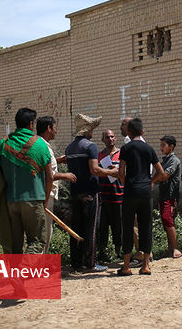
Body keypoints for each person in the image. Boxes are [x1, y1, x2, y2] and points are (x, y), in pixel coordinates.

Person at [0, 108, 53, 254]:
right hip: (34, 200)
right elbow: (50, 177)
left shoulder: (3, 144)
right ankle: (24, 272)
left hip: (11, 202)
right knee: (37, 241)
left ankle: (16, 274)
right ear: (31, 124)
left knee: (15, 245)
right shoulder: (40, 144)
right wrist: (46, 199)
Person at [65, 114, 118, 273]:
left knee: (76, 227)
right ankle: (90, 264)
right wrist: (113, 172)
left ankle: (76, 263)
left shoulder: (70, 147)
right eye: (92, 129)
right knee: (91, 228)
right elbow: (94, 169)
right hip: (90, 192)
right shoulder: (90, 146)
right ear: (88, 130)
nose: (93, 132)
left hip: (75, 191)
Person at [117, 118, 164, 276]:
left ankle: (126, 266)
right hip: (146, 192)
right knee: (146, 227)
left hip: (130, 192)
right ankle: (145, 266)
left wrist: (127, 183)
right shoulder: (149, 148)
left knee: (128, 226)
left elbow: (121, 172)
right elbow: (161, 173)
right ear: (142, 132)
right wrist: (150, 181)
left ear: (129, 133)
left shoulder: (125, 148)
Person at [36, 116, 77, 254]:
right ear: (49, 128)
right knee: (45, 233)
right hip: (45, 195)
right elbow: (50, 176)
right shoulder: (42, 146)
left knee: (46, 232)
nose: (56, 131)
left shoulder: (43, 145)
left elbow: (46, 167)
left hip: (45, 196)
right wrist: (67, 175)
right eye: (55, 128)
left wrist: (58, 161)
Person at [97, 129, 123, 262]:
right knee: (103, 227)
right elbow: (95, 172)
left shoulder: (121, 154)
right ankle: (103, 253)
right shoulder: (99, 155)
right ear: (103, 140)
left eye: (112, 137)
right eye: (107, 137)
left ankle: (119, 252)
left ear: (116, 138)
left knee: (118, 227)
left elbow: (125, 172)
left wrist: (117, 171)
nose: (110, 139)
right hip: (103, 197)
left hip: (118, 196)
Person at [157, 135, 182, 259]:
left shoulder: (174, 160)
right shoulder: (165, 160)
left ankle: (175, 248)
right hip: (163, 195)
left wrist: (151, 181)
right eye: (161, 145)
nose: (161, 148)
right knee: (165, 222)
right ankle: (170, 247)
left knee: (168, 220)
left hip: (170, 196)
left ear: (171, 147)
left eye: (164, 145)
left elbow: (164, 176)